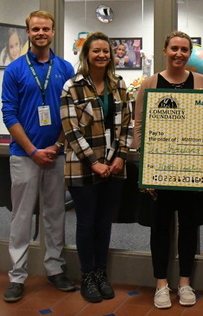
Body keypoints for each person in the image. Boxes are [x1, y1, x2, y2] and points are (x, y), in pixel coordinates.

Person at [133, 30, 203, 309]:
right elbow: (139, 126)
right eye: (174, 49)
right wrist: (145, 168)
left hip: (191, 170)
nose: (179, 54)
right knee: (160, 227)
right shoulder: (150, 83)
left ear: (189, 53)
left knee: (189, 226)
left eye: (184, 49)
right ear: (165, 51)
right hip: (160, 170)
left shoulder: (201, 82)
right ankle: (161, 284)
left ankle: (184, 282)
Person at [1, 11, 76, 303]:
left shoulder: (65, 68)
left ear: (53, 32)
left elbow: (70, 112)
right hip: (24, 156)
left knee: (56, 213)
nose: (41, 33)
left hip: (57, 155)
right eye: (35, 29)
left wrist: (57, 146)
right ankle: (17, 276)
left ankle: (55, 269)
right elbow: (9, 114)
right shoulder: (15, 70)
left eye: (46, 28)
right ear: (28, 33)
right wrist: (33, 151)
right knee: (21, 217)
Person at [60, 32, 133, 303]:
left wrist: (120, 157)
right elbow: (71, 131)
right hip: (82, 167)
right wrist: (94, 162)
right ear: (86, 55)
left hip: (114, 167)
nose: (101, 55)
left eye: (105, 51)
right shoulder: (72, 87)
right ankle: (87, 276)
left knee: (104, 223)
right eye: (96, 51)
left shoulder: (119, 84)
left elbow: (127, 123)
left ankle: (101, 273)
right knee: (86, 223)